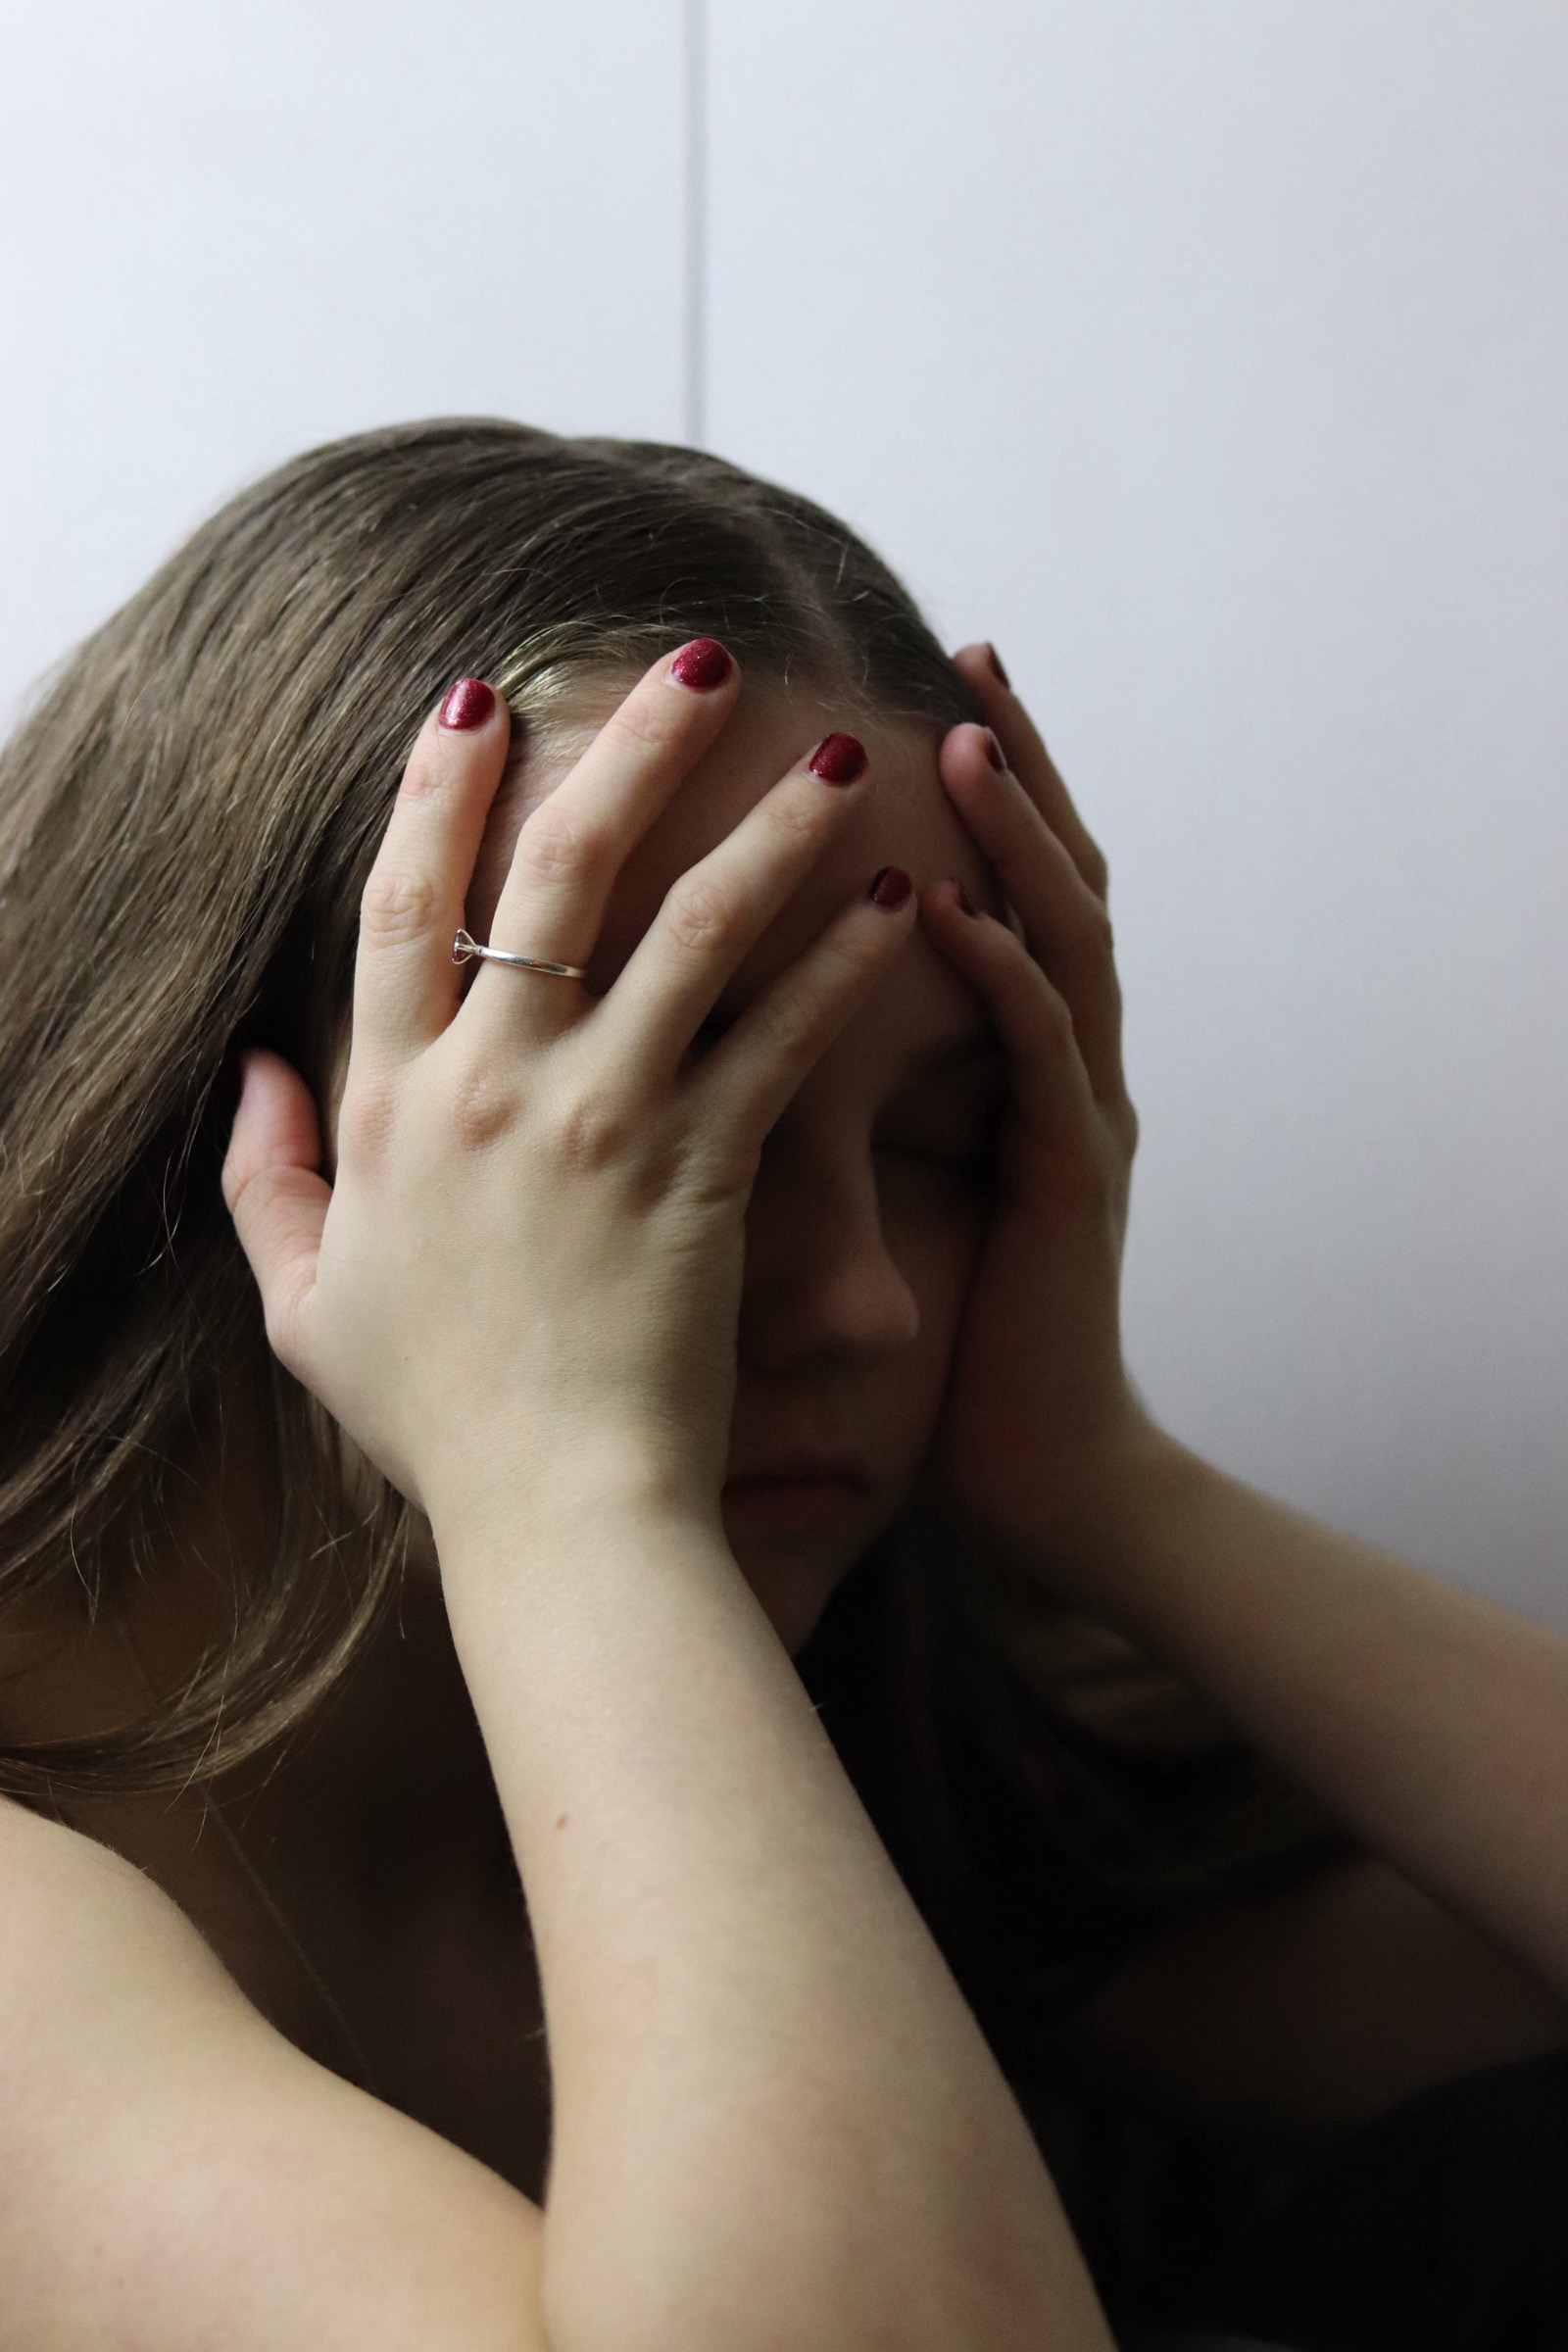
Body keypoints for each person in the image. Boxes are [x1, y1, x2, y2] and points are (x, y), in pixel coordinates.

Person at [0, 418, 1563, 2352]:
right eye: (655, 1113)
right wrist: (571, 1498)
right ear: (240, 1128)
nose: (859, 1302)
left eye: (939, 1146)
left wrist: (1102, 1482)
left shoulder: (887, 1707)